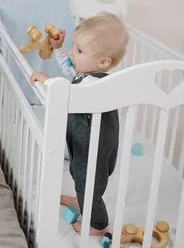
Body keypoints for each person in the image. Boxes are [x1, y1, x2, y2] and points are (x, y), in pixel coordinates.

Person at [30, 12, 129, 236]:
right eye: (75, 47)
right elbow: (69, 69)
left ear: (103, 62)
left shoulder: (95, 86)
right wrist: (59, 48)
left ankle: (97, 224)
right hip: (83, 145)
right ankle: (80, 200)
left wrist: (46, 81)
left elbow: (69, 93)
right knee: (79, 174)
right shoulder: (86, 74)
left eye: (80, 50)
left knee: (89, 183)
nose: (73, 53)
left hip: (95, 149)